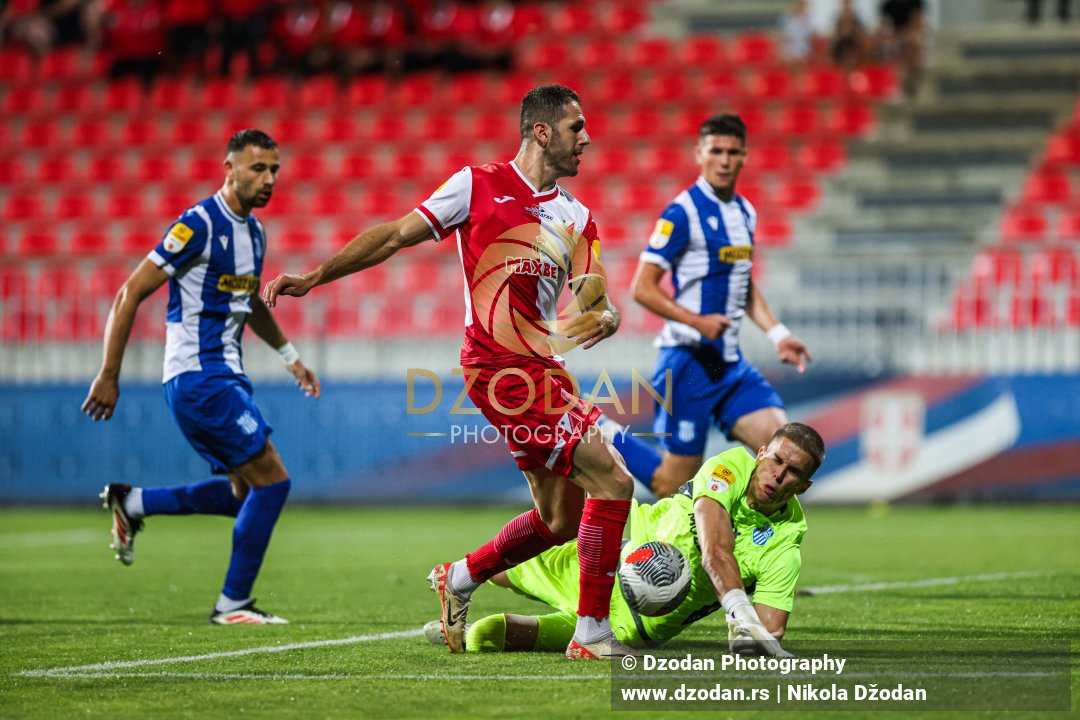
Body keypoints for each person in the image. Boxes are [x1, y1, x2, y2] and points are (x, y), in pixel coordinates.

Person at [262, 84, 636, 660]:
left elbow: (592, 297)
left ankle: (459, 577)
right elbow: (393, 235)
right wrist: (314, 277)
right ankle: (591, 633)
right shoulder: (476, 185)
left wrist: (606, 316)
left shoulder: (577, 217)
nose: (586, 138)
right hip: (500, 369)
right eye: (576, 127)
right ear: (542, 132)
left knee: (559, 520)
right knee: (614, 483)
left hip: (545, 370)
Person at [82, 129, 320, 625]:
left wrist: (290, 356)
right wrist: (109, 373)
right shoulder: (198, 224)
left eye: (275, 169)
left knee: (243, 495)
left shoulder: (255, 233)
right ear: (229, 169)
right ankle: (233, 604)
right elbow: (129, 292)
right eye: (258, 168)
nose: (269, 179)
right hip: (199, 377)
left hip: (225, 376)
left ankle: (133, 502)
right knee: (273, 483)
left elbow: (248, 302)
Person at [423, 423, 825, 657]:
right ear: (760, 453)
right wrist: (738, 608)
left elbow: (769, 629)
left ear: (804, 486)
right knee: (507, 566)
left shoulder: (785, 545)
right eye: (776, 460)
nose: (778, 475)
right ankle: (456, 585)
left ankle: (459, 627)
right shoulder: (732, 466)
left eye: (792, 472)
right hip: (611, 551)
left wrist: (755, 638)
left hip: (628, 623)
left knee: (486, 635)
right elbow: (715, 548)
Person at [601, 114, 811, 499]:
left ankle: (744, 533)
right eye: (716, 151)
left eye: (733, 152)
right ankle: (601, 429)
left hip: (728, 364)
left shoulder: (745, 212)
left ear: (744, 156)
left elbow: (743, 284)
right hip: (688, 363)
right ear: (699, 153)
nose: (724, 160)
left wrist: (778, 334)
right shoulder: (682, 213)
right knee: (669, 484)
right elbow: (642, 287)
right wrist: (696, 321)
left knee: (782, 455)